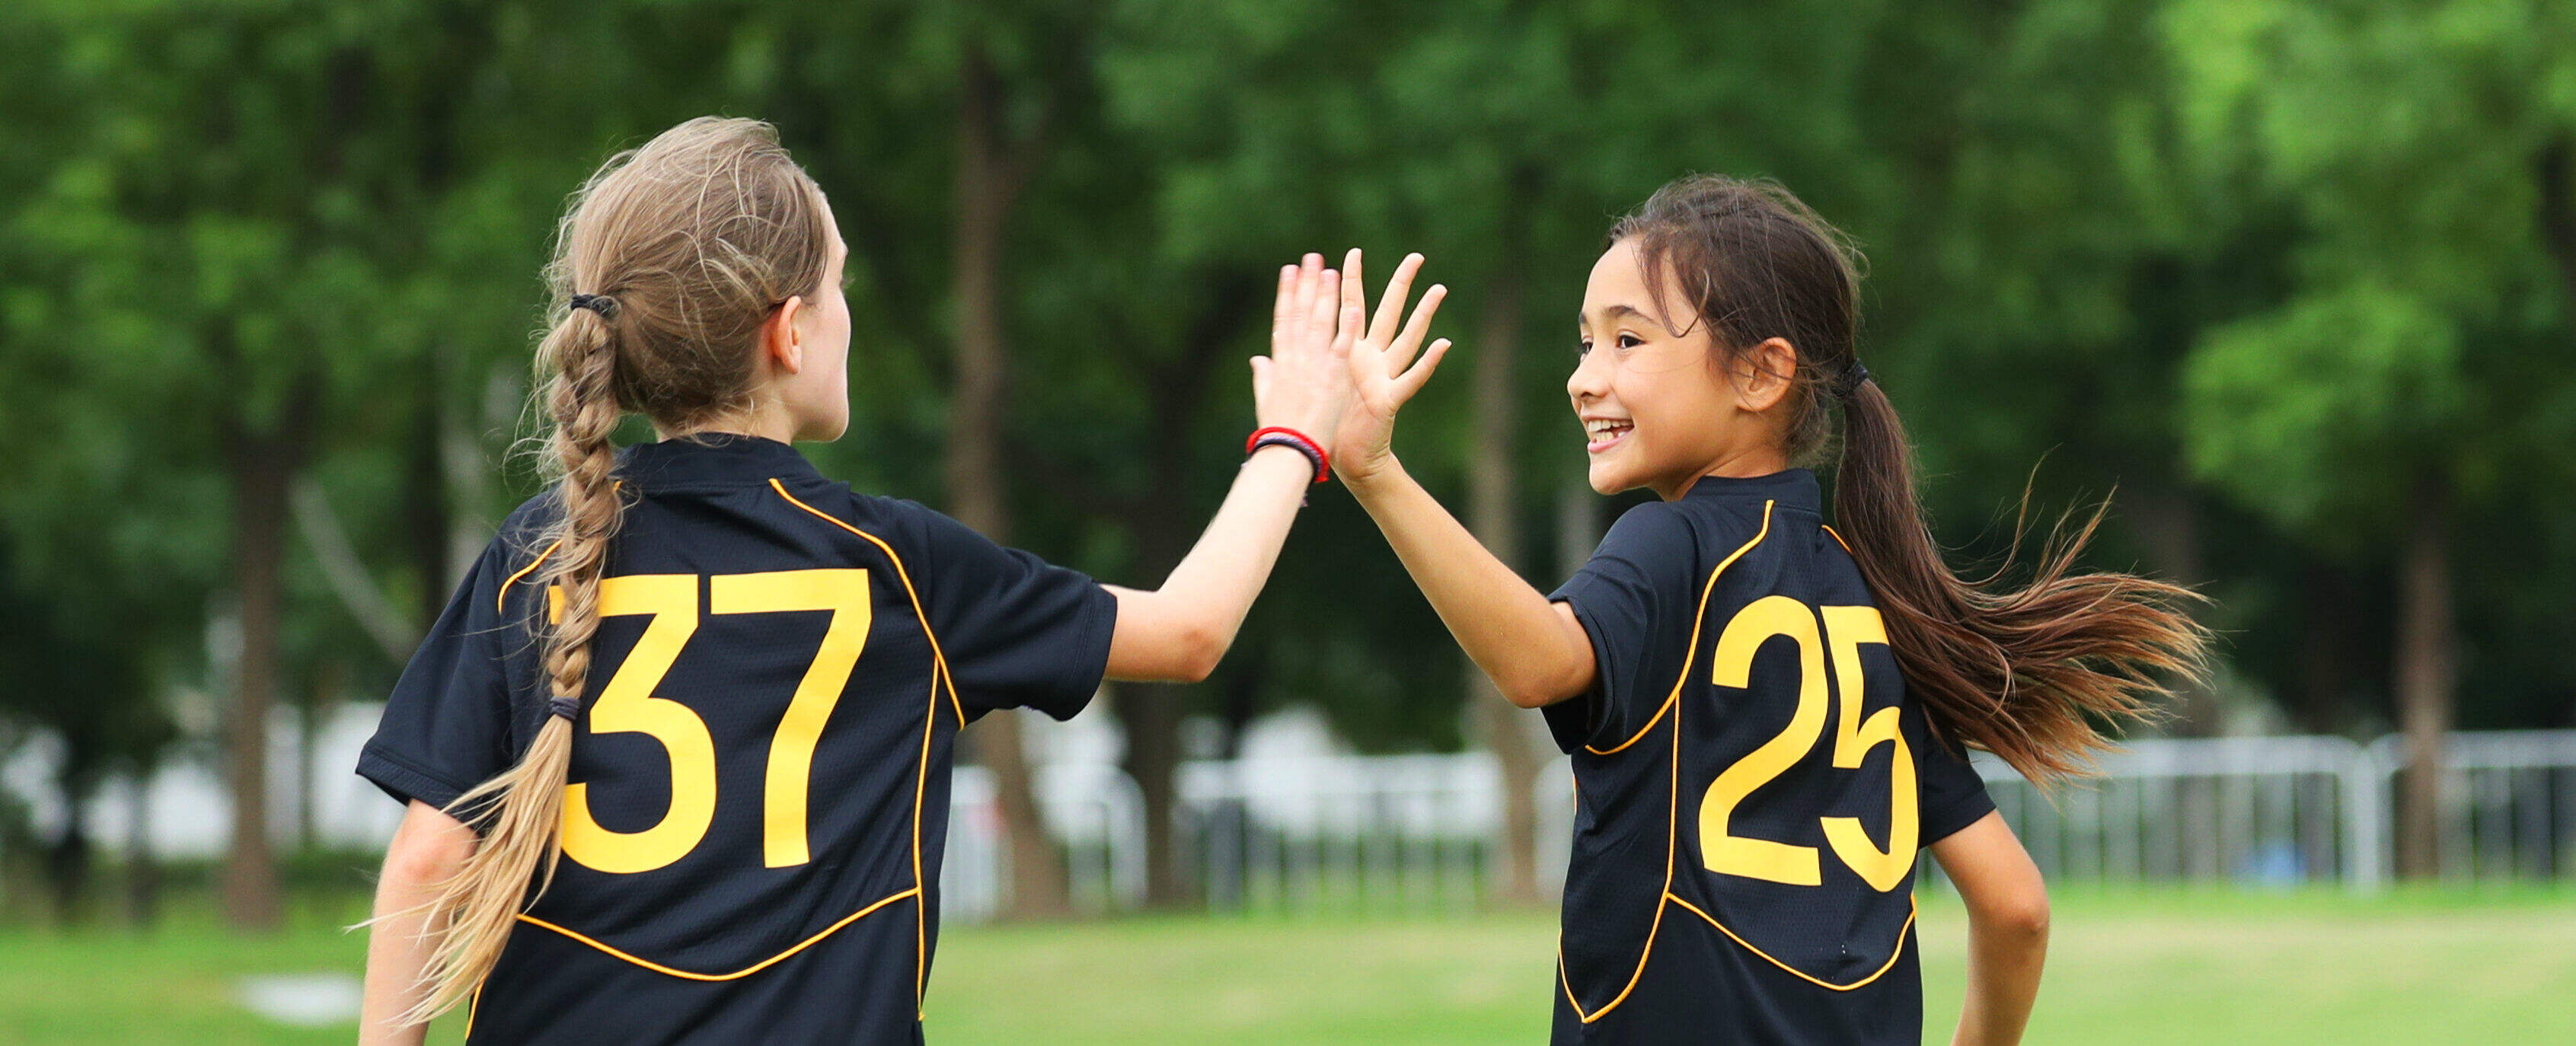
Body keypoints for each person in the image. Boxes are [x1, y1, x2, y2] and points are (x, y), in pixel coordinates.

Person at [353, 116, 1415, 1044]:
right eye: (840, 280)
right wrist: (1291, 437)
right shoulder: (892, 566)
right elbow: (1189, 631)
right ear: (791, 329)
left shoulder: (535, 556)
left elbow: (423, 861)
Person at [1329, 175, 2209, 1044]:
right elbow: (2015, 908)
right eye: (1583, 343)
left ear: (1760, 375)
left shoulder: (1667, 545)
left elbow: (1538, 664)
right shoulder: (1871, 601)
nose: (1582, 379)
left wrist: (1376, 474)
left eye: (1625, 341)